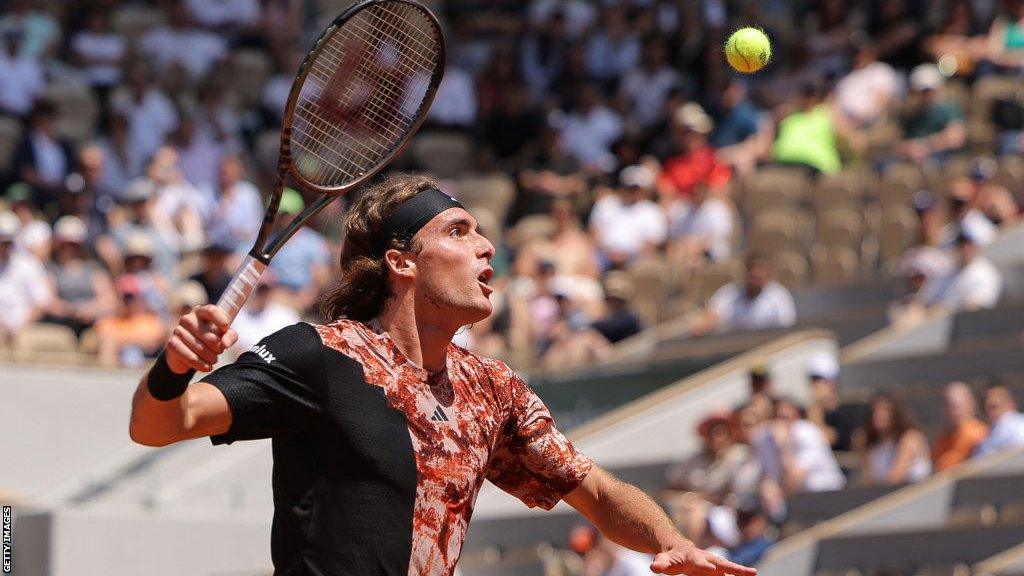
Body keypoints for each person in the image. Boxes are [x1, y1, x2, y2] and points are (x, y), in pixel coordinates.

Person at [128, 175, 757, 576]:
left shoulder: (493, 390)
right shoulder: (317, 355)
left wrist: (672, 541)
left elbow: (594, 492)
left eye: (484, 233)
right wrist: (175, 366)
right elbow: (159, 425)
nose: (487, 247)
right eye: (459, 231)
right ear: (401, 262)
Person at [692, 254, 796, 336]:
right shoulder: (731, 292)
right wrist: (706, 324)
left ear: (769, 276)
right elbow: (711, 315)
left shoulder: (779, 297)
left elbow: (785, 330)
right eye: (753, 275)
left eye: (760, 277)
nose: (756, 280)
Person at [0, 209, 52, 344]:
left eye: (7, 242)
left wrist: (20, 328)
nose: (3, 247)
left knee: (25, 341)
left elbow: (42, 302)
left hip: (25, 328)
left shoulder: (29, 265)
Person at [857, 394, 932, 485]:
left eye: (885, 410)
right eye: (875, 411)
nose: (878, 414)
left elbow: (895, 477)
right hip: (882, 493)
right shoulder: (871, 444)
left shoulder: (910, 438)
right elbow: (868, 479)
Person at [923, 230, 1002, 313]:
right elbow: (926, 301)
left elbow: (977, 306)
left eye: (968, 245)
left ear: (976, 246)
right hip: (939, 321)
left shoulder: (985, 272)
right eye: (960, 245)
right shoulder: (946, 273)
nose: (964, 249)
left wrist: (946, 310)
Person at [805, 353, 860, 452]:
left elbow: (823, 440)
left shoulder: (847, 413)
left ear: (833, 382)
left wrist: (816, 406)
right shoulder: (806, 411)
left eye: (819, 379)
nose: (815, 384)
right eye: (813, 380)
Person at [932, 382, 988, 471]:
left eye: (958, 405)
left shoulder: (981, 434)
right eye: (950, 405)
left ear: (971, 403)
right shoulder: (942, 440)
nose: (955, 411)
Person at [974, 385, 1024, 457]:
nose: (989, 412)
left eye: (994, 407)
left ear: (1011, 404)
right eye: (986, 408)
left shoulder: (1013, 423)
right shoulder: (991, 429)